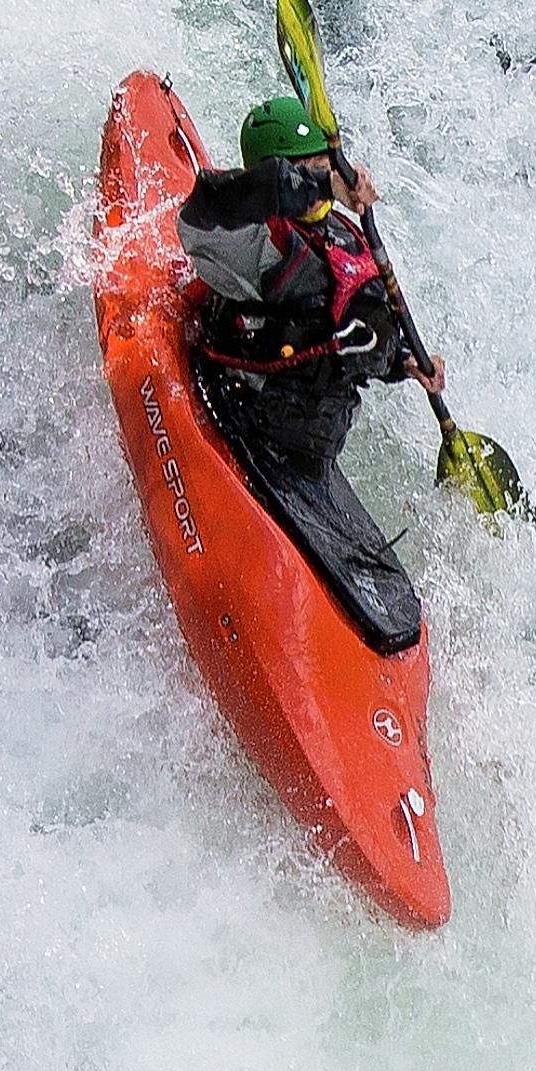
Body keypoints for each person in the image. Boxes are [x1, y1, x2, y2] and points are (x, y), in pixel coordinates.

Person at [179, 92, 439, 658]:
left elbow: (356, 332)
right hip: (249, 414)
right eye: (312, 173)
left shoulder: (343, 235)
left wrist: (403, 364)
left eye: (329, 166)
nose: (327, 181)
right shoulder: (252, 241)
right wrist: (316, 187)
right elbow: (205, 208)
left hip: (312, 443)